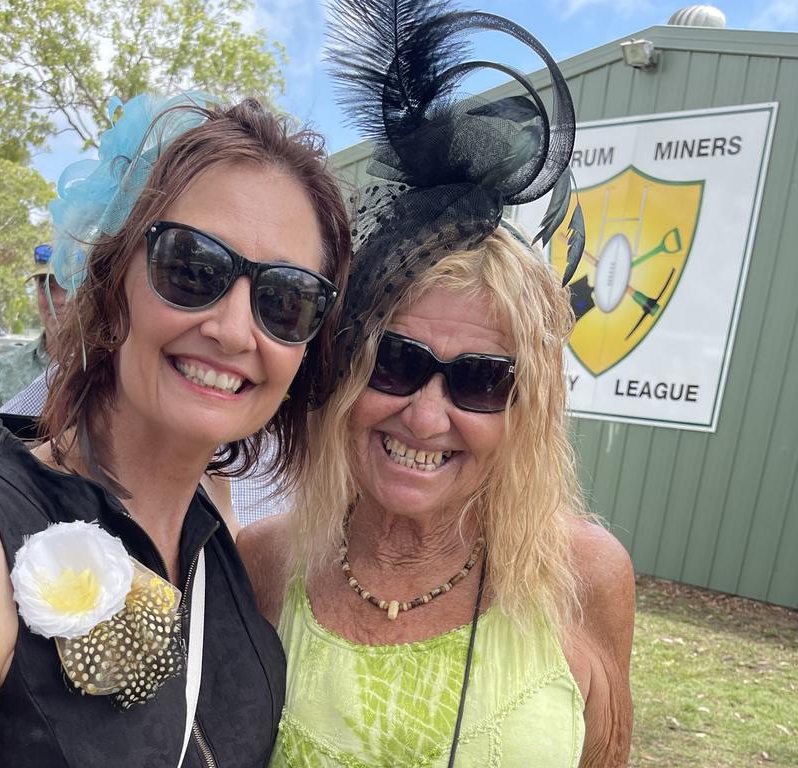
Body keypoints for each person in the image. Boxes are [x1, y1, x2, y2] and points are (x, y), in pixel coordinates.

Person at [0, 93, 351, 766]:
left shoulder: (216, 538)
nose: (233, 330)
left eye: (286, 301)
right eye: (192, 268)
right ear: (113, 281)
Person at [238, 6, 634, 768]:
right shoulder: (266, 561)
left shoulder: (587, 577)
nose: (425, 416)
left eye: (481, 381)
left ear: (527, 410)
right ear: (347, 367)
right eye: (396, 362)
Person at [0, 244, 66, 439]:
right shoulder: (3, 370)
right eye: (46, 287)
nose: (56, 299)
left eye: (69, 286)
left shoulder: (113, 372)